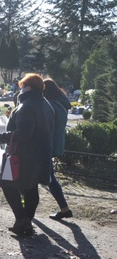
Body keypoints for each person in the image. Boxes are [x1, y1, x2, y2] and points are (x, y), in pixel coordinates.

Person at [0, 73, 54, 237]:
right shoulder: (45, 104)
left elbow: (24, 133)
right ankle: (25, 222)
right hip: (40, 153)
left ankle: (22, 219)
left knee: (8, 184)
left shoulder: (27, 105)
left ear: (28, 87)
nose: (20, 89)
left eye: (22, 86)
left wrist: (2, 137)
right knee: (31, 188)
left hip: (22, 155)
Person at [43, 78, 72, 220]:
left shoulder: (51, 105)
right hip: (55, 143)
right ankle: (64, 208)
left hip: (46, 144)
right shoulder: (61, 103)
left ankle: (64, 208)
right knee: (47, 176)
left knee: (49, 177)